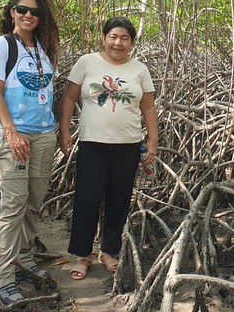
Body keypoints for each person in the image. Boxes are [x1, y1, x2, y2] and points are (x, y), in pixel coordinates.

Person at [58, 16, 158, 281]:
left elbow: (148, 106)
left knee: (118, 200)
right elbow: (69, 97)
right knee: (87, 199)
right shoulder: (87, 63)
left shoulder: (140, 69)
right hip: (93, 144)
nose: (118, 42)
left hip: (128, 145)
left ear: (132, 43)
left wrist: (152, 141)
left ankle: (108, 251)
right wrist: (64, 131)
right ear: (103, 38)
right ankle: (82, 255)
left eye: (125, 38)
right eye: (113, 36)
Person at [0, 0, 60, 306]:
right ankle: (2, 277)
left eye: (35, 12)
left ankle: (26, 258)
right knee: (13, 203)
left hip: (44, 135)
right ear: (12, 13)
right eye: (22, 10)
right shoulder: (2, 45)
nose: (28, 15)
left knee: (33, 201)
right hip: (13, 135)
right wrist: (11, 131)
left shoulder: (44, 50)